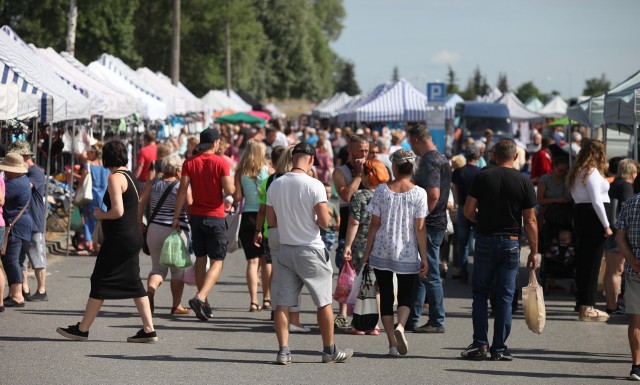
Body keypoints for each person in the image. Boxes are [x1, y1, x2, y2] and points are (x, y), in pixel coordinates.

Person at [57, 140, 157, 342]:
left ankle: (83, 329)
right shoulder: (131, 176)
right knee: (134, 282)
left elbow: (118, 211)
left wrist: (102, 215)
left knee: (100, 279)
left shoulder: (115, 178)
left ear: (107, 157)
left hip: (120, 237)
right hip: (131, 236)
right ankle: (149, 330)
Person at [266, 141, 353, 364]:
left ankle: (283, 350)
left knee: (282, 303)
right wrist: (316, 219)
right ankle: (329, 350)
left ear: (292, 158)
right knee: (323, 301)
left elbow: (271, 220)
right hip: (310, 248)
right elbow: (324, 222)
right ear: (312, 160)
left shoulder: (275, 184)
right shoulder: (314, 185)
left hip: (286, 248)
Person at [460, 138, 538, 361]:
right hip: (512, 242)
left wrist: (481, 220)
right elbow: (530, 221)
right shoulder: (523, 182)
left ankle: (480, 344)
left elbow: (467, 210)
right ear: (515, 157)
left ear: (494, 155)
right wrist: (534, 251)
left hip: (485, 239)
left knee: (480, 294)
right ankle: (499, 348)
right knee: (505, 297)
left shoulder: (483, 176)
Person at [362, 149, 428, 356]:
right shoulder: (419, 193)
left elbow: (374, 224)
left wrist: (367, 251)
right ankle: (401, 326)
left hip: (382, 249)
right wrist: (424, 257)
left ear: (395, 167)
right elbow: (420, 228)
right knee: (406, 295)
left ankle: (391, 343)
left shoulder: (382, 190)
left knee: (387, 296)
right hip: (406, 251)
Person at [174, 128, 234, 321]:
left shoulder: (189, 162)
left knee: (200, 258)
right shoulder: (221, 162)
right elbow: (228, 189)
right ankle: (200, 297)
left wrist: (177, 216)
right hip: (215, 216)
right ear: (216, 143)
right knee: (217, 260)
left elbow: (182, 191)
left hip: (196, 217)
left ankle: (204, 302)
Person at [254, 146, 311, 333]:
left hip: (273, 231)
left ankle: (276, 311)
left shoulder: (271, 180)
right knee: (295, 277)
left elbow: (264, 210)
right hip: (291, 231)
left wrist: (259, 229)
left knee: (279, 276)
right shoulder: (299, 181)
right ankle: (293, 319)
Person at [407, 124, 451, 333]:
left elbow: (433, 194)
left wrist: (421, 219)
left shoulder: (430, 160)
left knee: (430, 272)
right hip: (436, 221)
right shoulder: (439, 157)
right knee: (423, 272)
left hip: (431, 223)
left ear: (416, 140)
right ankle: (413, 317)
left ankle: (436, 320)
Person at [138, 154, 191, 315]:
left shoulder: (153, 183)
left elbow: (140, 202)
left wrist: (139, 222)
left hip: (154, 229)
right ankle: (176, 306)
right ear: (176, 170)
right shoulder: (181, 186)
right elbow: (189, 206)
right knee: (177, 270)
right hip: (175, 230)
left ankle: (151, 290)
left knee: (157, 268)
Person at [342, 159, 390, 335]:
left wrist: (348, 245)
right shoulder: (387, 194)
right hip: (382, 245)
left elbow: (354, 222)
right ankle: (374, 324)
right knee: (376, 286)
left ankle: (359, 324)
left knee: (362, 284)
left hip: (362, 243)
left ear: (367, 176)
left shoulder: (360, 196)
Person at [568, 138, 612, 322]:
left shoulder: (577, 172)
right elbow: (596, 201)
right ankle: (588, 307)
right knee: (592, 264)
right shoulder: (591, 172)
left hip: (581, 215)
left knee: (586, 262)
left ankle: (584, 304)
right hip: (593, 218)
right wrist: (606, 225)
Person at [331, 134, 369, 328]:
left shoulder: (375, 168)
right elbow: (345, 195)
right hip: (348, 228)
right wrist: (360, 175)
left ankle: (365, 315)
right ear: (350, 151)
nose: (363, 155)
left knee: (369, 274)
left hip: (369, 229)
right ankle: (342, 313)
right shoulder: (340, 172)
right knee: (346, 271)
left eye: (366, 151)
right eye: (359, 151)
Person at [233, 139, 271, 312]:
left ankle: (253, 301)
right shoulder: (268, 170)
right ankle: (267, 298)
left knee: (252, 262)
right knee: (266, 261)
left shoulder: (240, 170)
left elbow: (238, 197)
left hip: (248, 216)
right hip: (264, 216)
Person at [8, 141, 48, 301]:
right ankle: (24, 288)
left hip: (35, 221)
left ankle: (42, 290)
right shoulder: (26, 173)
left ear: (24, 156)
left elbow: (24, 186)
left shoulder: (35, 172)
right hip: (23, 222)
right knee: (21, 259)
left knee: (37, 257)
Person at [613, 192, 640, 380]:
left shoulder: (631, 203)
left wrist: (631, 260)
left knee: (636, 320)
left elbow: (619, 237)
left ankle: (637, 367)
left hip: (635, 269)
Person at [604, 158, 637, 314]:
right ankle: (613, 305)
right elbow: (627, 213)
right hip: (619, 232)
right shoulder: (626, 186)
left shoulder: (613, 184)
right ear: (631, 172)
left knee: (610, 271)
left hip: (609, 230)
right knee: (617, 271)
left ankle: (610, 304)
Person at [0, 153, 32, 308]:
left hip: (16, 225)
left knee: (11, 259)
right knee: (16, 260)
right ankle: (14, 293)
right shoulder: (23, 180)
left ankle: (17, 295)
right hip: (22, 224)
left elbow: (2, 197)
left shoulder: (15, 183)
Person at [451, 144, 481, 284]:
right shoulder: (480, 172)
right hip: (477, 210)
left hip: (463, 208)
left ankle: (463, 271)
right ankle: (478, 272)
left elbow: (454, 188)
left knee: (462, 243)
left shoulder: (458, 172)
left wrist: (456, 202)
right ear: (477, 156)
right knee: (478, 242)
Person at [76, 142, 110, 254]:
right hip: (105, 197)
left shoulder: (88, 165)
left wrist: (76, 195)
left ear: (93, 153)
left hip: (92, 196)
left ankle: (96, 247)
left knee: (91, 221)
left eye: (89, 152)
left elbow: (81, 182)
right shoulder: (107, 166)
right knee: (103, 221)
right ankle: (103, 246)